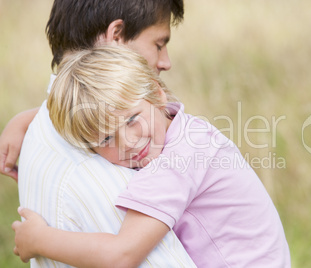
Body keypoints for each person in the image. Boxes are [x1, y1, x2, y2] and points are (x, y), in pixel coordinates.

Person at [13, 45, 291, 267]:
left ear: (157, 96)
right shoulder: (186, 131)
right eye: (107, 139)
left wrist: (39, 240)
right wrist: (23, 120)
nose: (129, 143)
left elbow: (121, 256)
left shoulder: (174, 163)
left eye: (132, 119)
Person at [4, 0, 199, 267]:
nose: (165, 62)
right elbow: (122, 255)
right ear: (116, 37)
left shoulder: (51, 128)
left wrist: (24, 119)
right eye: (158, 44)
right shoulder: (102, 172)